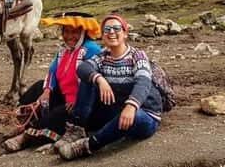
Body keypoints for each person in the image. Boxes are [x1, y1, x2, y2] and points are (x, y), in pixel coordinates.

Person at [57, 14, 162, 160]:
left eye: (116, 28)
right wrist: (100, 79)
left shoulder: (137, 56)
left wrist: (132, 106)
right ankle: (77, 128)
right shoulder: (103, 56)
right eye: (107, 29)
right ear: (103, 35)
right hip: (116, 109)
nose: (111, 32)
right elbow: (83, 68)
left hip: (144, 113)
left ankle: (88, 145)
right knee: (89, 79)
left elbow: (143, 82)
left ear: (125, 33)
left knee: (136, 117)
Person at [2, 12, 102, 152]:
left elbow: (93, 81)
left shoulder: (92, 49)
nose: (69, 36)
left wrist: (79, 100)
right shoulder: (64, 50)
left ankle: (27, 136)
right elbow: (53, 71)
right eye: (66, 31)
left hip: (83, 105)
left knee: (59, 113)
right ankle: (25, 125)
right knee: (38, 87)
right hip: (65, 96)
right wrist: (47, 90)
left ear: (83, 32)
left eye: (74, 32)